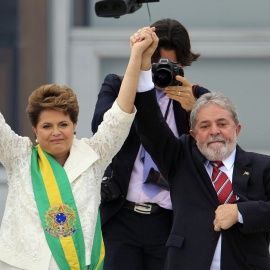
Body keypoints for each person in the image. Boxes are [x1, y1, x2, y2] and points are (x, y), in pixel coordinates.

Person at [0, 28, 157, 270]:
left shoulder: (94, 156)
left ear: (74, 125)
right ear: (35, 130)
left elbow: (121, 115)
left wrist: (136, 55)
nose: (56, 132)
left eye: (63, 124)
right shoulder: (19, 156)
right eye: (47, 126)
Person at [133, 78, 270, 267]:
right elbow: (150, 125)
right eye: (204, 126)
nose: (214, 131)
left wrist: (239, 212)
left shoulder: (265, 167)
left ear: (237, 130)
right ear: (194, 135)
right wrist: (142, 70)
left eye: (222, 124)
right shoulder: (180, 159)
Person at [91, 18, 209, 269]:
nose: (160, 71)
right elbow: (100, 128)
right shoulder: (118, 85)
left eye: (170, 64)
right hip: (121, 216)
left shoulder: (197, 97)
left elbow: (213, 152)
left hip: (170, 220)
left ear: (184, 64)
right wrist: (135, 88)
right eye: (154, 63)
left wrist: (194, 109)